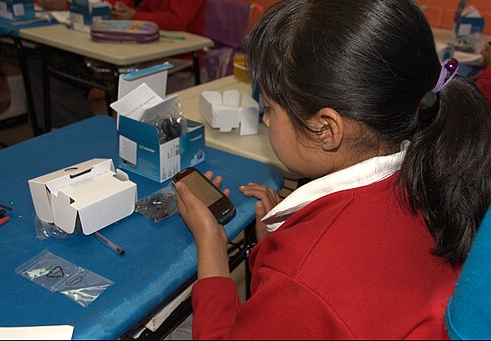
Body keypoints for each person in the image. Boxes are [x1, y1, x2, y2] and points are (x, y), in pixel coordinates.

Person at [173, 0, 491, 339]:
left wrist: (212, 247)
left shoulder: (302, 279)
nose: (265, 119)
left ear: (327, 129)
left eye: (268, 108)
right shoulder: (438, 171)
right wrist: (282, 241)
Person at [111, 0, 206, 36]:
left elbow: (176, 21)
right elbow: (146, 10)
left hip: (181, 56)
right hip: (156, 47)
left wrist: (134, 15)